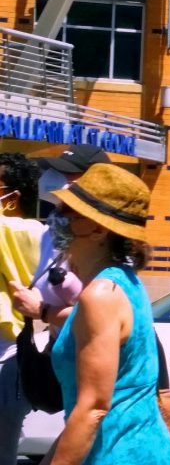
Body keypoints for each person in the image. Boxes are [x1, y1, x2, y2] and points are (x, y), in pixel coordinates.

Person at [46, 163, 170, 464]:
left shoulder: (101, 295)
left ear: (98, 228)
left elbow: (93, 408)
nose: (57, 219)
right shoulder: (123, 281)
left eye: (69, 212)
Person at [11, 144, 111, 335]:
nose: (54, 177)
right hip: (62, 342)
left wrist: (43, 311)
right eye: (57, 171)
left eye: (68, 172)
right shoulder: (55, 224)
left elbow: (102, 316)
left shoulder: (104, 235)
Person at [0, 152, 44, 464]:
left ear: (12, 198)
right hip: (16, 357)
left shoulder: (13, 230)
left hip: (6, 359)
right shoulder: (45, 234)